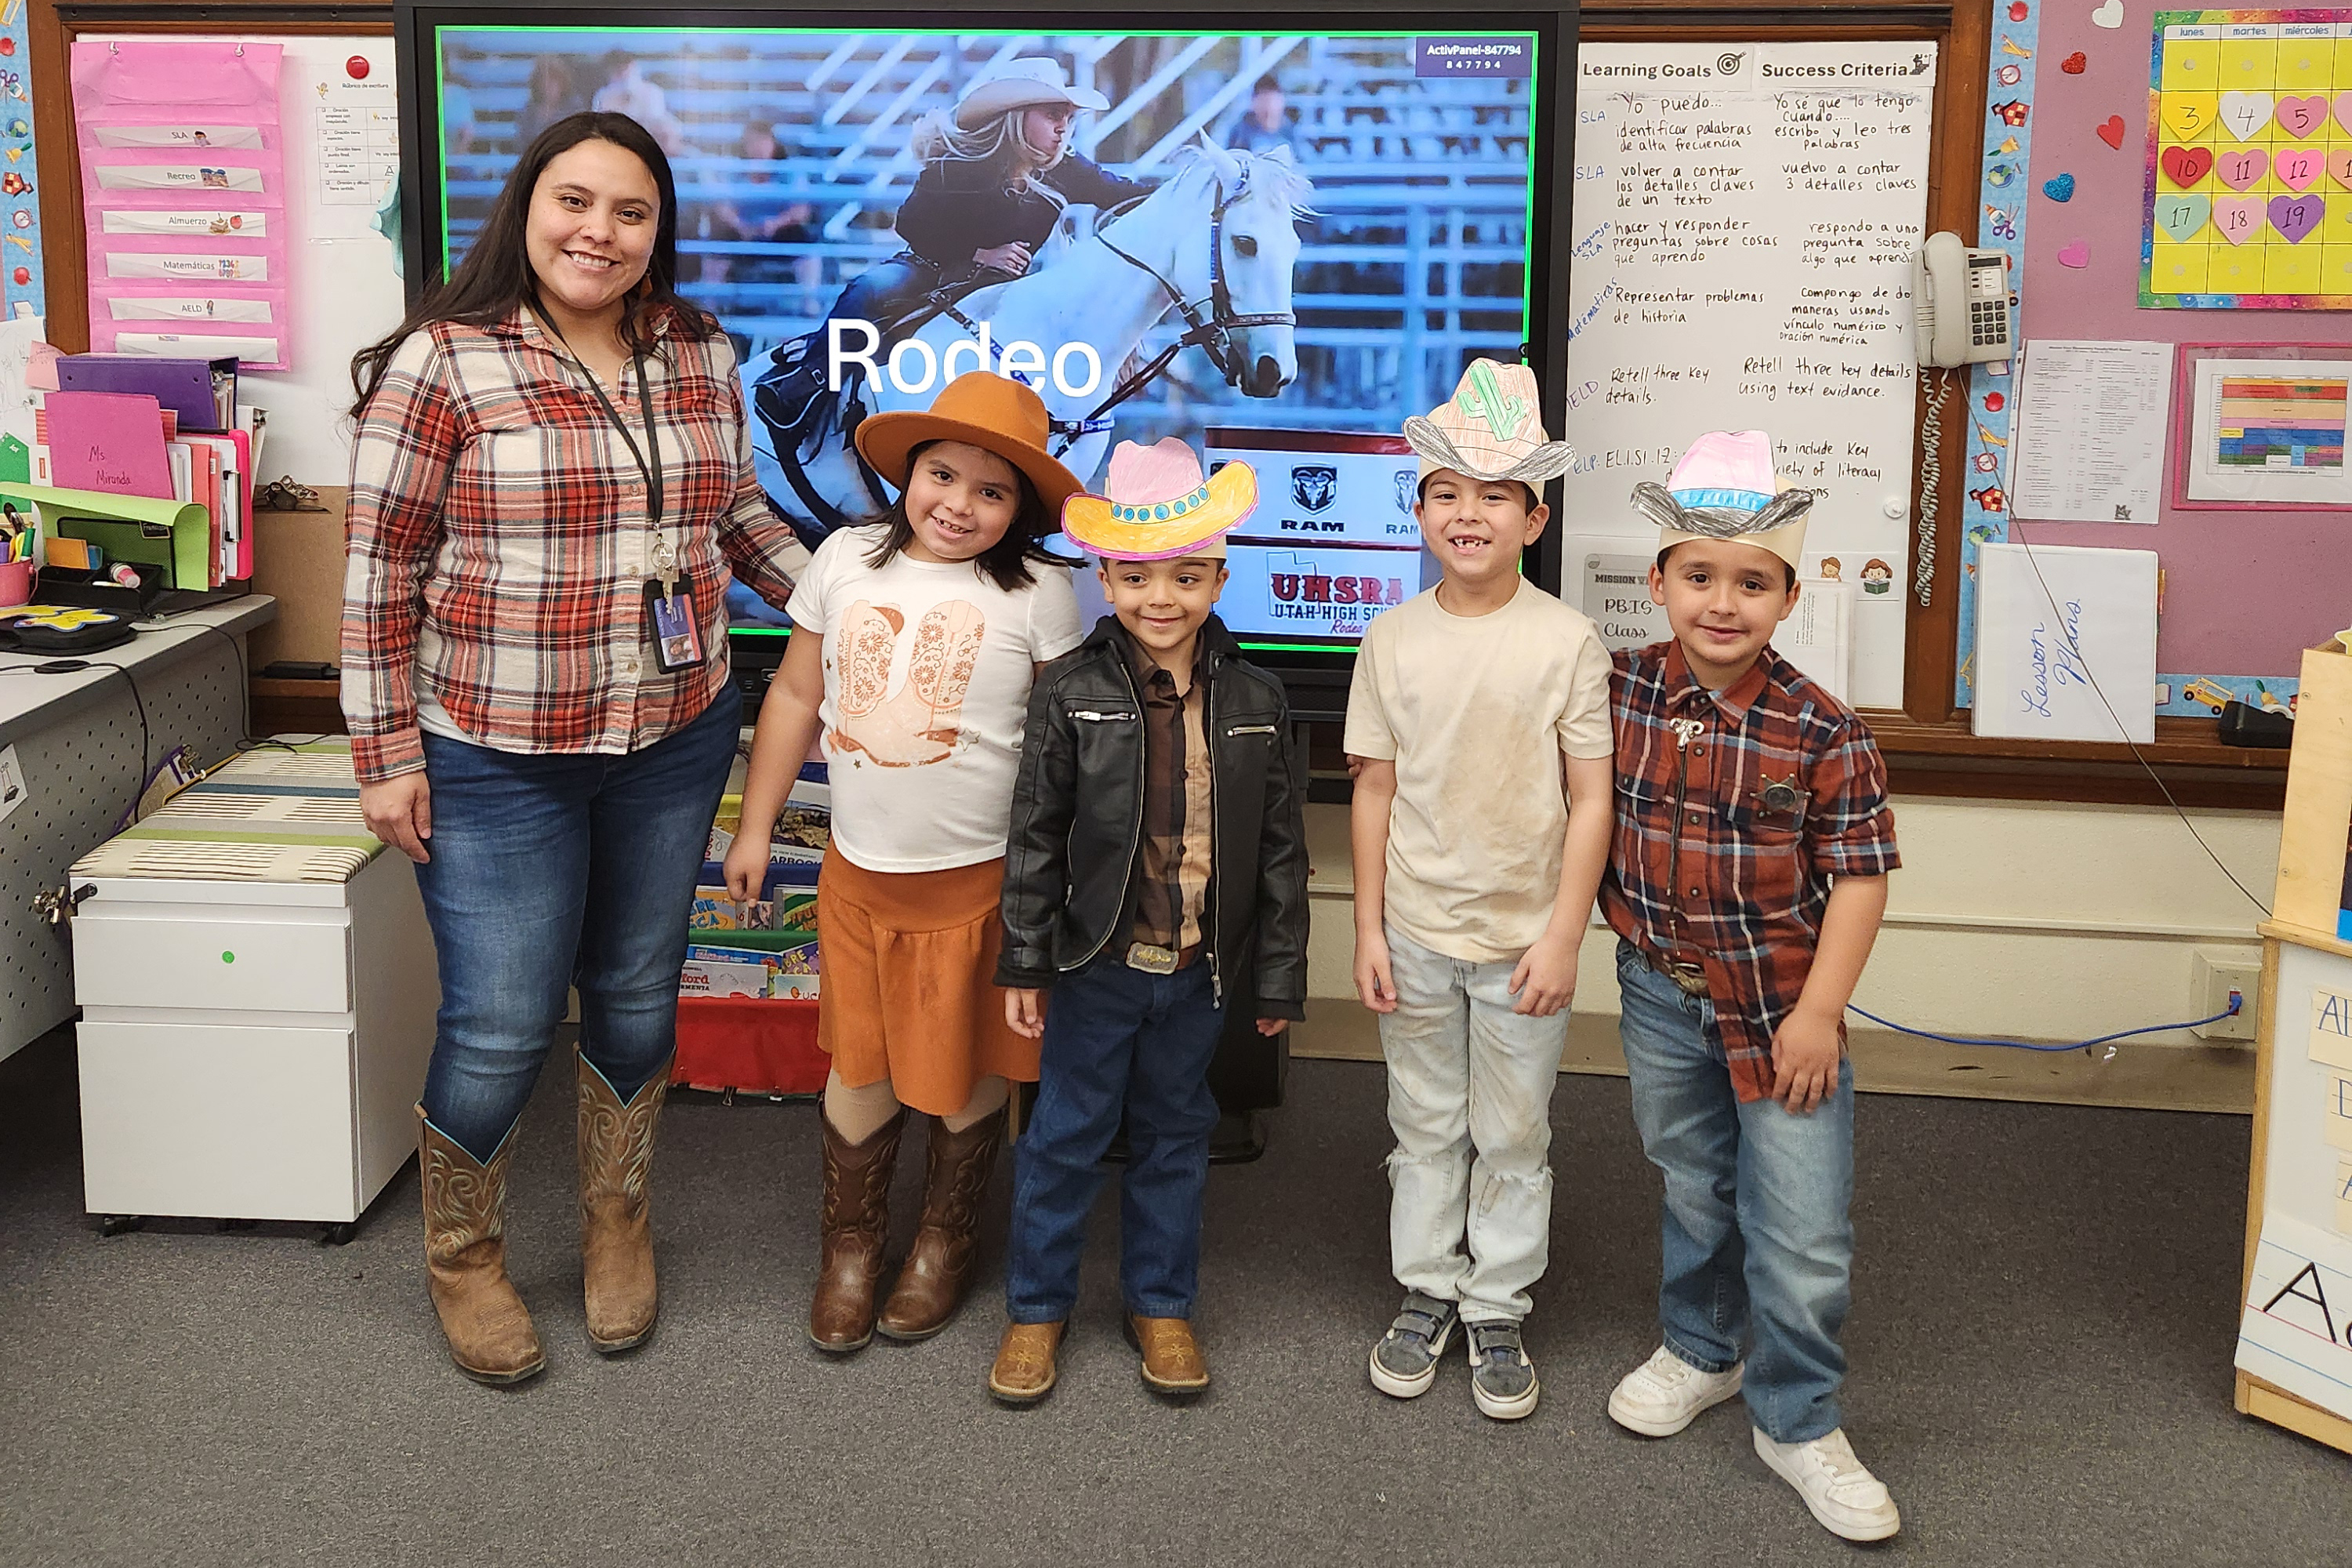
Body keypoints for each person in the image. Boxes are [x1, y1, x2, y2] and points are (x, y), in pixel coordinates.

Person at [343, 111, 811, 1386]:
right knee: (498, 1021)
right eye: (575, 202)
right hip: (495, 750)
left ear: (659, 234)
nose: (598, 232)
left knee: (637, 993)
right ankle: (465, 1256)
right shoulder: (445, 362)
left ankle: (618, 1221)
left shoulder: (700, 353)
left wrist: (850, 604)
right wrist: (383, 753)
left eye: (631, 212)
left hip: (673, 734)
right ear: (527, 207)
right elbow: (379, 570)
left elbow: (737, 517)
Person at [723, 370, 1087, 1353]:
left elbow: (1062, 754)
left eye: (992, 490)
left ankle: (945, 1234)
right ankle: (850, 1242)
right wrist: (754, 828)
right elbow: (796, 700)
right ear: (906, 474)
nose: (959, 504)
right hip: (859, 877)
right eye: (942, 475)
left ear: (1019, 509)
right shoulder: (843, 559)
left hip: (981, 884)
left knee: (967, 1067)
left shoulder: (1042, 593)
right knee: (862, 1063)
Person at [1602, 430, 1902, 1542]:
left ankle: (1800, 1416)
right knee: (1693, 1184)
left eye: (1752, 583)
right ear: (1660, 583)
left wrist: (1822, 1012)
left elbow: (1862, 879)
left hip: (1784, 1008)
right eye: (1699, 577)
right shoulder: (1618, 693)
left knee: (1804, 1227)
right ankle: (1703, 1350)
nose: (1722, 603)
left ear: (1786, 596)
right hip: (1658, 994)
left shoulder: (1827, 733)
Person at [985, 440, 1309, 1405]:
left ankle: (1161, 1303)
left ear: (1218, 575)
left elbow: (1282, 852)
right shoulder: (1073, 694)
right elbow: (1035, 836)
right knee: (1066, 1135)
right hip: (1097, 963)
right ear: (1106, 576)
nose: (1158, 596)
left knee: (1177, 1131)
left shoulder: (1257, 698)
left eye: (1183, 574)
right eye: (1135, 576)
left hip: (1202, 970)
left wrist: (1279, 976)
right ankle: (1036, 1308)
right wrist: (1026, 964)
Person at [1346, 359, 1612, 1421]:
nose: (1469, 514)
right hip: (1412, 928)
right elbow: (1374, 790)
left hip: (1520, 941)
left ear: (1534, 518)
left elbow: (1590, 802)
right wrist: (1364, 926)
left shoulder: (1565, 640)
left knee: (1511, 1129)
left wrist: (1564, 937)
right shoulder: (1392, 637)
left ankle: (1497, 1297)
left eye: (1495, 494)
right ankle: (1428, 1287)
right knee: (1425, 1117)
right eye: (1447, 491)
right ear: (1418, 509)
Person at [826, 56, 1149, 332]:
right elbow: (910, 225)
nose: (1063, 127)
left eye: (1068, 117)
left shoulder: (1066, 169)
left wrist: (1196, 188)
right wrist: (979, 254)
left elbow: (1123, 195)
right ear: (1017, 117)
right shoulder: (959, 163)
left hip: (1006, 290)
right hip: (929, 272)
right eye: (1052, 115)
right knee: (869, 289)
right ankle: (802, 383)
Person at [1226, 76, 1301, 159]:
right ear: (1254, 104)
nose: (1268, 109)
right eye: (1264, 102)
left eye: (1273, 102)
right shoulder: (1241, 132)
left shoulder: (1291, 131)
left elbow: (1303, 162)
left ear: (1282, 102)